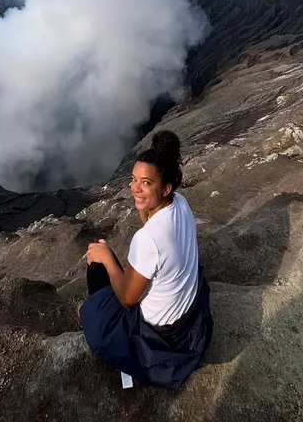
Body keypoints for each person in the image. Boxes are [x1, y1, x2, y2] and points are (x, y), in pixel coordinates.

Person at [79, 130, 213, 390]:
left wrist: (107, 258)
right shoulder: (180, 203)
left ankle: (107, 322)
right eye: (133, 180)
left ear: (165, 187)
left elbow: (129, 299)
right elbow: (154, 232)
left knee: (96, 276)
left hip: (161, 338)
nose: (135, 189)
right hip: (190, 320)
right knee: (113, 266)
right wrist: (144, 208)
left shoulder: (148, 240)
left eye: (146, 183)